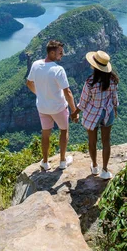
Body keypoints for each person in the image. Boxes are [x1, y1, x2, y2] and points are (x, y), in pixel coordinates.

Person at [26, 40, 77, 170]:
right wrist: (74, 110)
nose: (63, 55)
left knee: (45, 133)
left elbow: (29, 83)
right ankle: (62, 161)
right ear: (52, 53)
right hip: (58, 107)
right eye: (60, 52)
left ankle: (45, 162)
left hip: (42, 107)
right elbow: (68, 92)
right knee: (64, 131)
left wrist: (40, 94)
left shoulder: (36, 64)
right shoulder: (58, 69)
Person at [71, 50, 119, 180]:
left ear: (94, 66)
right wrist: (115, 109)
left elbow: (83, 102)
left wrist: (74, 114)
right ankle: (105, 170)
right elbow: (114, 98)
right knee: (106, 142)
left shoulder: (90, 82)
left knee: (92, 142)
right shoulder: (113, 80)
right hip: (107, 114)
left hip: (92, 115)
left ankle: (94, 166)